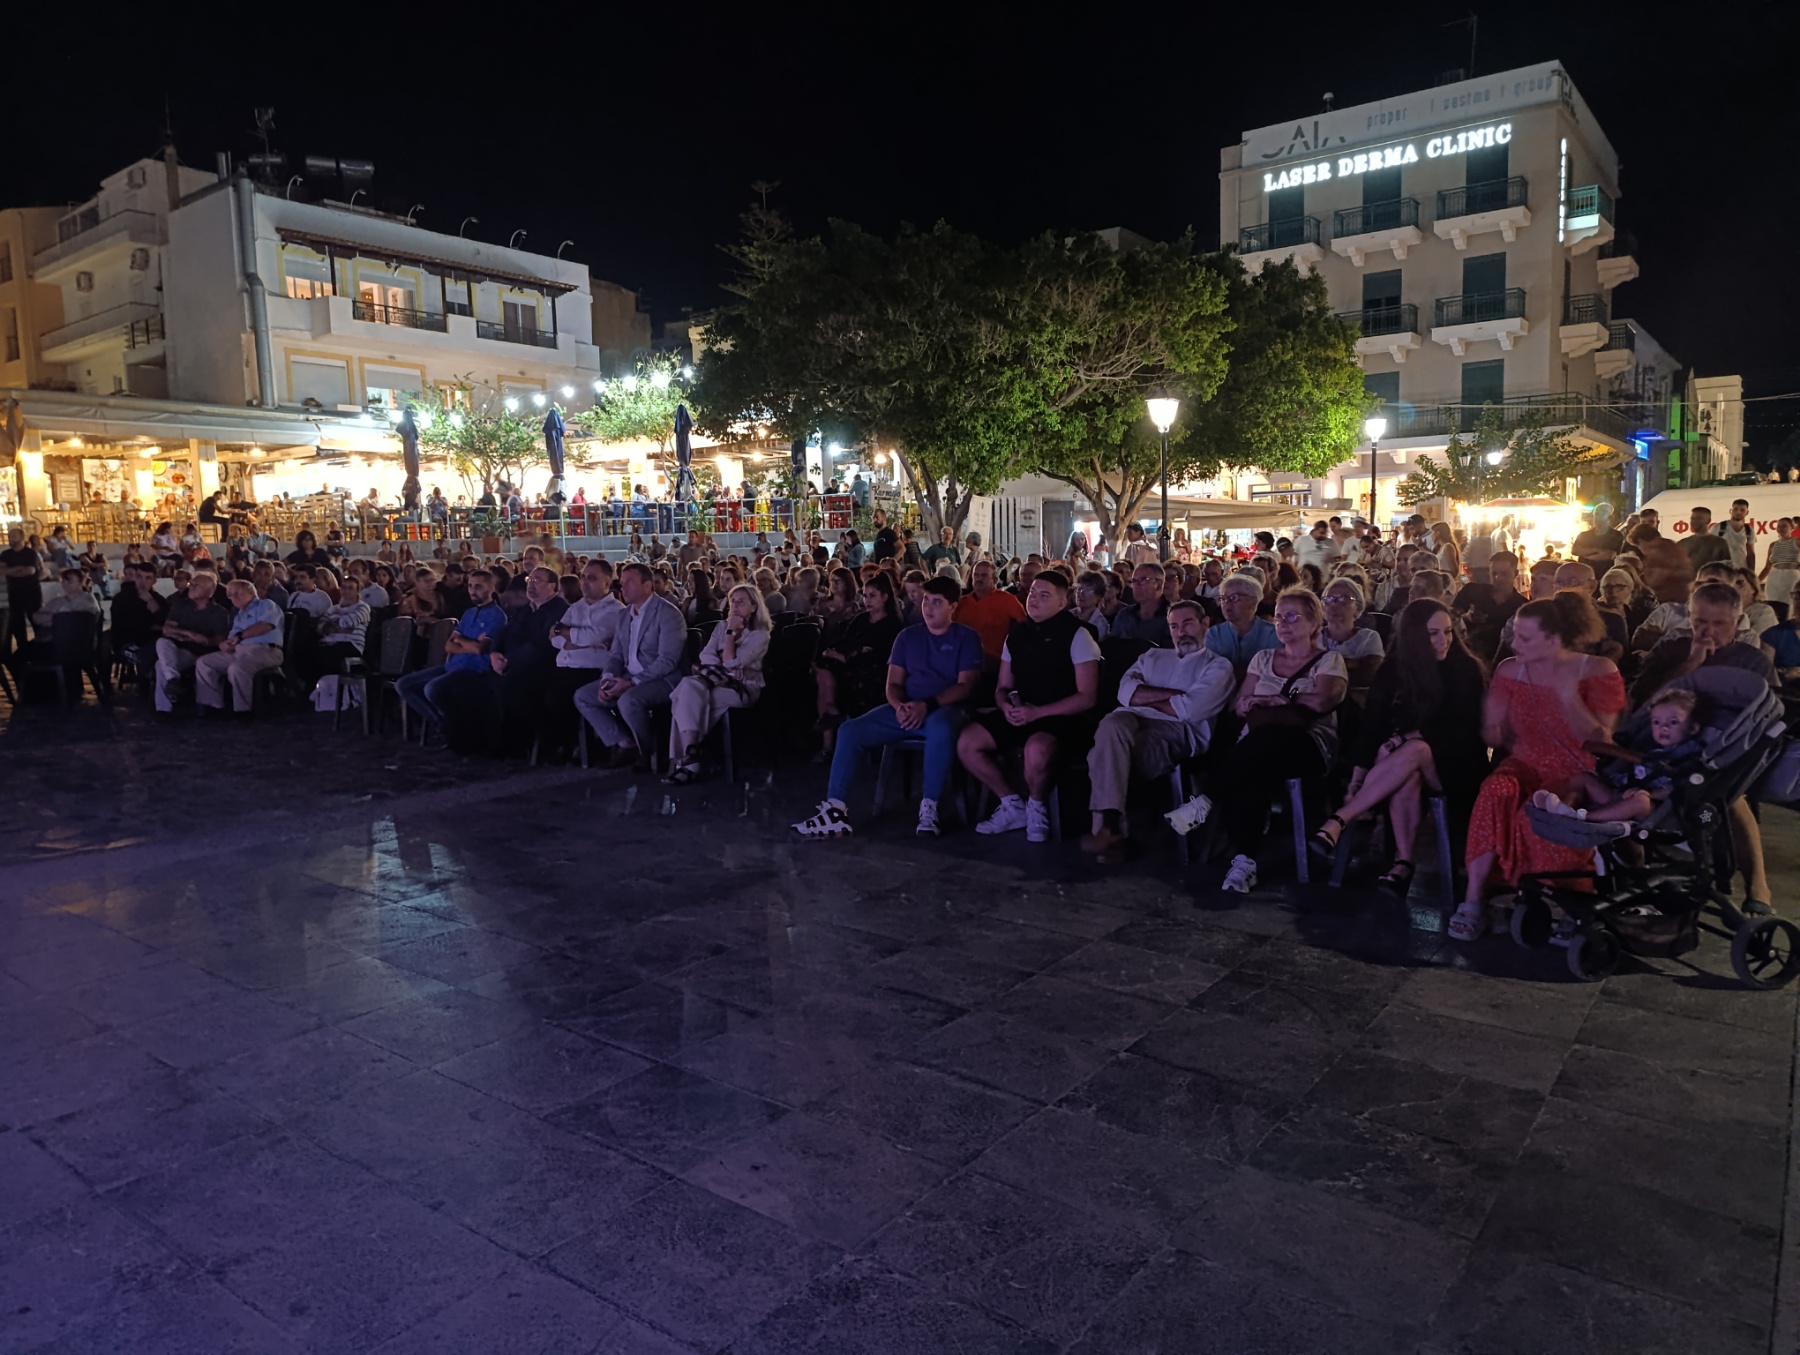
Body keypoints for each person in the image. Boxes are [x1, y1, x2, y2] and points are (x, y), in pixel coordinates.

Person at [1453, 595, 1627, 940]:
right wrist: (1493, 723)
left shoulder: (1598, 670)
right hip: (1526, 762)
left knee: (1543, 809)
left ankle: (1569, 902)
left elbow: (1601, 740)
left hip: (1576, 769)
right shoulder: (1510, 670)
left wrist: (1568, 696)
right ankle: (1474, 898)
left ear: (1553, 640)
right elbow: (1493, 733)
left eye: (1525, 638)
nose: (1514, 644)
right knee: (1494, 790)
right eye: (1515, 635)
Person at [1311, 599, 1489, 893]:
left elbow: (1463, 728)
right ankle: (1403, 864)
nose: (1444, 640)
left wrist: (1403, 739)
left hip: (1457, 764)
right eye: (1433, 633)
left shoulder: (1465, 669)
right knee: (1409, 773)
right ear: (1414, 636)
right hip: (1404, 765)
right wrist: (1356, 780)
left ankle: (1340, 819)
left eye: (1448, 632)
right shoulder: (1393, 670)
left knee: (1416, 749)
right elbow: (1372, 726)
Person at [793, 574, 983, 839]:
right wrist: (900, 706)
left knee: (941, 728)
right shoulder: (907, 637)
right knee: (850, 730)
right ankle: (835, 809)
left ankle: (930, 806)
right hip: (905, 709)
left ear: (953, 606)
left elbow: (966, 686)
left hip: (944, 709)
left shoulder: (967, 637)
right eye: (926, 600)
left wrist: (927, 705)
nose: (928, 607)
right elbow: (892, 683)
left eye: (937, 602)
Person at [1210, 588, 1349, 892]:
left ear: (1313, 622)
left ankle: (1208, 799)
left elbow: (1322, 701)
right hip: (1257, 747)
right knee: (1255, 765)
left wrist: (1272, 701)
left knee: (1264, 742)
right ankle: (1244, 861)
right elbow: (1240, 704)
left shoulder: (1329, 661)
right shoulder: (1263, 659)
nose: (1283, 623)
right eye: (1278, 618)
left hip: (1308, 745)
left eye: (1292, 617)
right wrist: (1265, 704)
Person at [1079, 599, 1235, 863]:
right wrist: (1175, 696)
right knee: (1112, 725)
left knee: (1104, 756)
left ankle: (1110, 830)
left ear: (1205, 624)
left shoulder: (1218, 666)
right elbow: (1124, 693)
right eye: (1174, 626)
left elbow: (1190, 710)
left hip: (1177, 730)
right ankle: (1115, 833)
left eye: (1188, 624)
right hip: (1129, 720)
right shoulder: (1152, 656)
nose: (1181, 632)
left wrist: (1145, 696)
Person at [959, 571, 1101, 842]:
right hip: (1021, 712)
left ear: (1062, 603)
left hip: (1062, 717)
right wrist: (1005, 707)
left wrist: (1038, 712)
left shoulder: (1078, 635)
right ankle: (1012, 803)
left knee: (1037, 749)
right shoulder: (1016, 634)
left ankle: (1037, 805)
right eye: (1033, 593)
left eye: (1044, 596)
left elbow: (1087, 697)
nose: (1034, 600)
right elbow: (1002, 686)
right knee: (967, 742)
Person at [574, 561, 687, 770]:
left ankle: (647, 751)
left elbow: (667, 661)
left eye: (629, 582)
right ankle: (626, 742)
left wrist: (630, 682)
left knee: (628, 701)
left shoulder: (668, 614)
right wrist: (608, 678)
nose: (623, 587)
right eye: (622, 582)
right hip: (627, 675)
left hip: (661, 678)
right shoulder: (624, 615)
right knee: (584, 696)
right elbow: (616, 654)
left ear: (647, 585)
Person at [1534, 687, 1705, 823]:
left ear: (1693, 728)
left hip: (1651, 807)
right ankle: (1563, 808)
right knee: (1584, 778)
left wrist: (1648, 793)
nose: (1664, 727)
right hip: (1620, 791)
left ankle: (1586, 818)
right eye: (1656, 722)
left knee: (1640, 802)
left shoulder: (1691, 755)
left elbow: (1681, 788)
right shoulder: (1649, 746)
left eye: (1673, 722)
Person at [665, 583, 772, 782]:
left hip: (743, 687)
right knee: (688, 687)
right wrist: (726, 668)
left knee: (686, 699)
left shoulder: (760, 634)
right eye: (733, 601)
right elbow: (706, 656)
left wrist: (730, 634)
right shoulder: (721, 626)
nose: (735, 606)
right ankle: (692, 749)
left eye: (741, 602)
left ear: (753, 606)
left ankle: (685, 764)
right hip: (714, 681)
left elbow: (732, 661)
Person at [395, 570, 506, 735]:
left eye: (478, 587)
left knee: (432, 689)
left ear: (491, 588)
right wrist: (468, 642)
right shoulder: (469, 613)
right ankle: (441, 723)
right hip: (453, 665)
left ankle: (449, 727)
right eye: (470, 586)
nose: (472, 591)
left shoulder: (497, 615)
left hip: (474, 669)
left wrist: (461, 640)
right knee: (403, 685)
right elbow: (448, 645)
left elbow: (480, 649)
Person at [813, 573, 905, 763]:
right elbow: (846, 641)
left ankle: (832, 729)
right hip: (852, 664)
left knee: (857, 672)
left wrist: (847, 656)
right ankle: (829, 728)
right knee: (823, 667)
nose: (867, 600)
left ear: (884, 597)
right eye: (865, 596)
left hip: (876, 670)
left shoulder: (892, 624)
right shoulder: (861, 619)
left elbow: (882, 654)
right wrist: (836, 652)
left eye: (872, 596)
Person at [195, 579, 284, 714]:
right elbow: (231, 639)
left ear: (251, 592)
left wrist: (239, 637)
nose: (233, 597)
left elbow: (265, 625)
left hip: (265, 649)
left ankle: (242, 710)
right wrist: (225, 645)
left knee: (237, 668)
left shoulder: (266, 605)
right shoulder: (239, 616)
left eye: (237, 592)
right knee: (204, 663)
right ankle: (212, 706)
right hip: (239, 651)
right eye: (230, 595)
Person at [153, 572, 232, 713]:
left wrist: (204, 640)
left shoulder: (219, 612)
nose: (191, 587)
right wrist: (190, 634)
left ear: (209, 591)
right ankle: (172, 683)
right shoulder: (181, 605)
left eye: (196, 585)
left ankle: (165, 704)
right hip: (179, 647)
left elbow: (219, 639)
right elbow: (167, 629)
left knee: (161, 665)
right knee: (162, 643)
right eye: (191, 584)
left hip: (199, 651)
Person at [954, 560, 1027, 666]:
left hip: (995, 662)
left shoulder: (1008, 600)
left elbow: (1024, 628)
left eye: (984, 575)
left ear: (995, 580)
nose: (978, 579)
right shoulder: (962, 602)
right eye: (976, 575)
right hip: (962, 661)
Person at [1204, 574, 1278, 677]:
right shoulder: (1213, 634)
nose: (1227, 603)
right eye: (1223, 599)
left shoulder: (1273, 635)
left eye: (1234, 598)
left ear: (1253, 602)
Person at [1318, 578, 1384, 687]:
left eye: (1344, 599)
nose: (1334, 604)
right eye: (1329, 599)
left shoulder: (1368, 638)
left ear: (1357, 607)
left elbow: (1369, 675)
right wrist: (1352, 663)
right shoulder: (1312, 636)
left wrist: (1321, 666)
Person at [2, 526, 44, 649]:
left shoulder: (30, 553)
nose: (10, 539)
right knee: (18, 627)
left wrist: (10, 570)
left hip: (32, 594)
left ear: (21, 538)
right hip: (14, 594)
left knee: (37, 623)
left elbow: (30, 571)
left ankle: (40, 650)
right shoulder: (5, 554)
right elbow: (1, 570)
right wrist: (19, 569)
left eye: (13, 537)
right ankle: (23, 651)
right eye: (9, 537)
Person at [1109, 562, 1171, 645]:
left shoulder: (1173, 616)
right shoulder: (1124, 615)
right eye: (1134, 581)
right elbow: (1112, 645)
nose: (1137, 586)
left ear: (1159, 585)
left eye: (1144, 580)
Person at [1679, 506, 1732, 571]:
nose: (1693, 521)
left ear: (1708, 520)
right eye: (1692, 518)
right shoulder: (1682, 543)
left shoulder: (1720, 543)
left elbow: (1727, 570)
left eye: (1698, 518)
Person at [1716, 498, 1757, 572]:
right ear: (1730, 511)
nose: (1738, 512)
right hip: (1722, 571)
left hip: (1741, 571)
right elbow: (1710, 550)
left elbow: (1751, 554)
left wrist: (1751, 574)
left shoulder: (1749, 531)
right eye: (1735, 509)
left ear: (1747, 512)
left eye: (1742, 510)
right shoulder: (1718, 527)